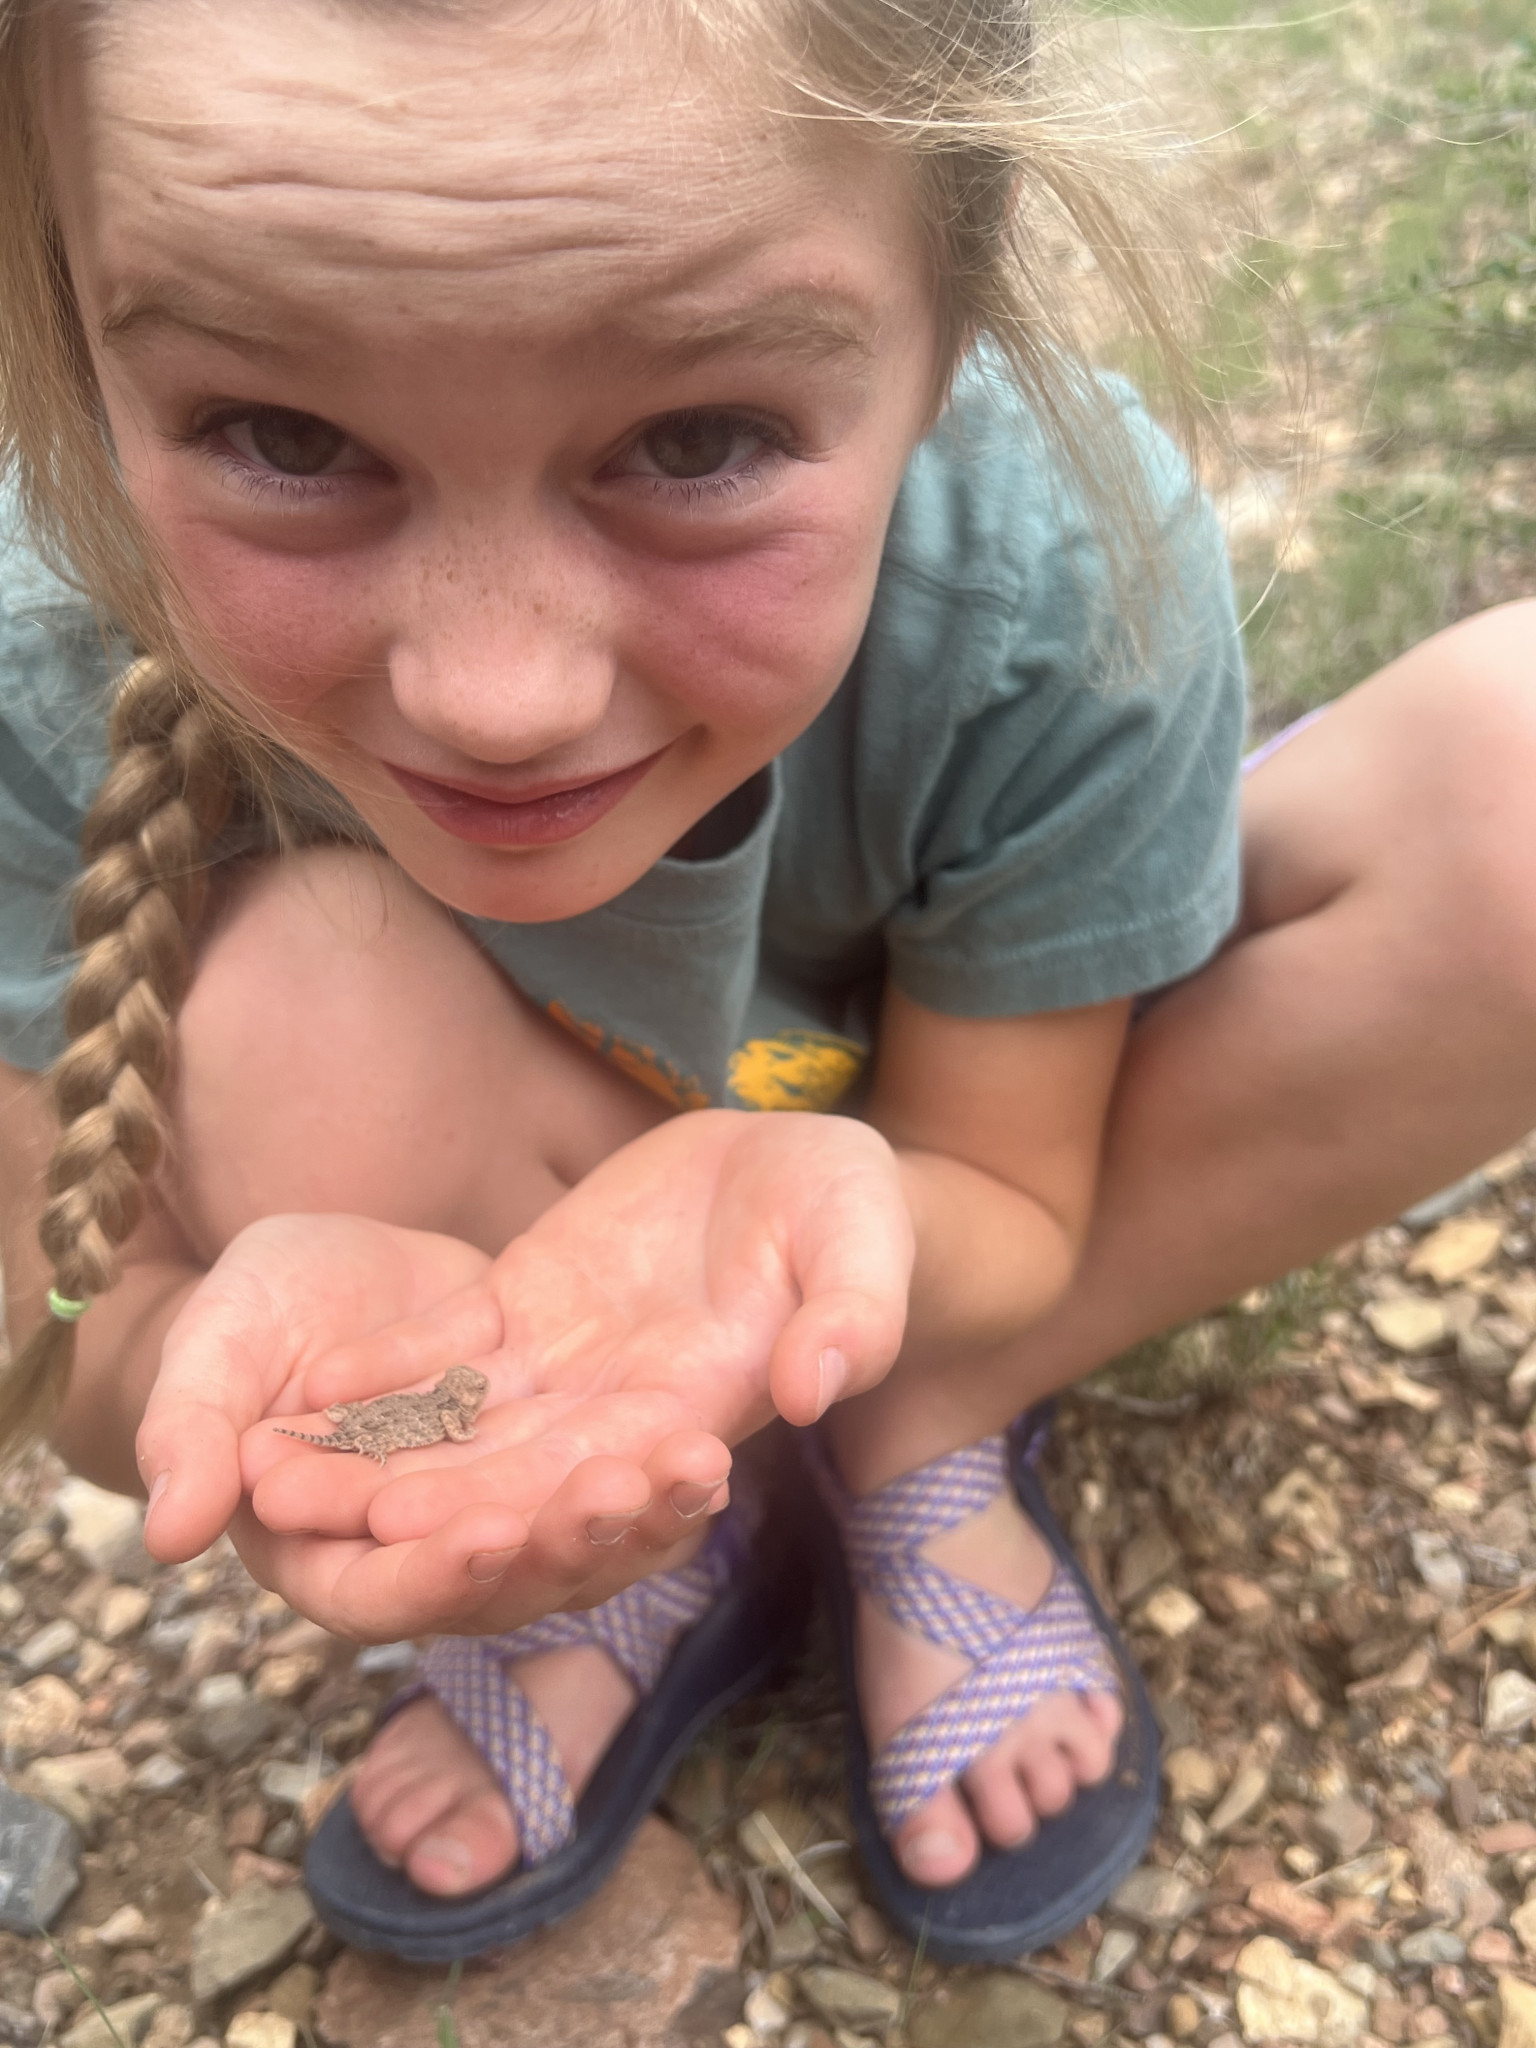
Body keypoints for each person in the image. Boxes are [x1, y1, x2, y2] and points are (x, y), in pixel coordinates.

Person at [2, 0, 1533, 1966]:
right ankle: (613, 1500)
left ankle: (914, 1413)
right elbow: (78, 1328)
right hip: (506, 1176)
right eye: (282, 437)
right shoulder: (42, 648)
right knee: (295, 992)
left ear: (952, 331)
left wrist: (859, 1208)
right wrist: (252, 1382)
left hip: (953, 1138)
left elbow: (1009, 1193)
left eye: (700, 440)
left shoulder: (1057, 563)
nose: (498, 692)